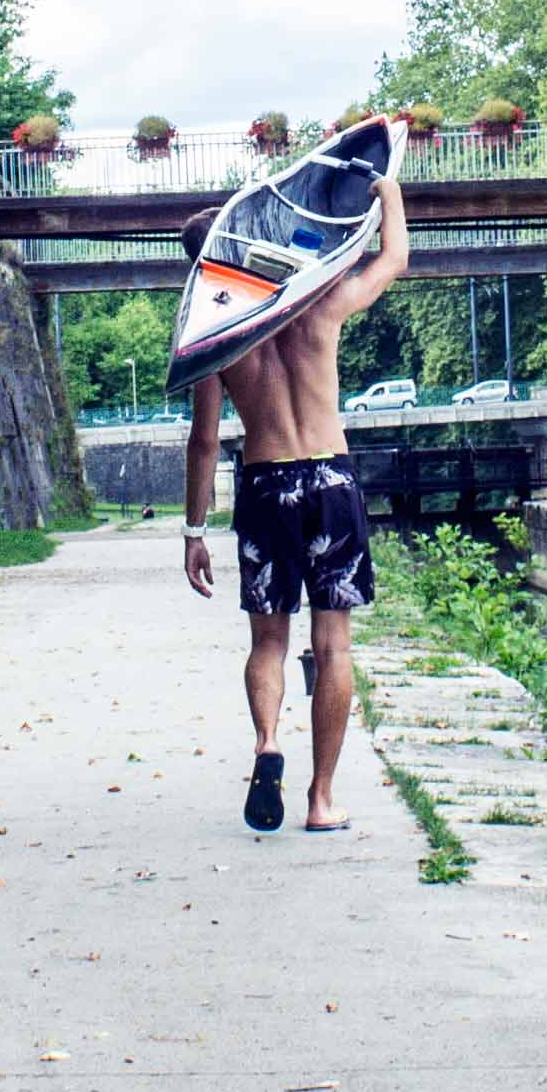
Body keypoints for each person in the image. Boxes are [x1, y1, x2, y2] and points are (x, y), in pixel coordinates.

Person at [180, 159, 406, 833]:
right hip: (330, 481)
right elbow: (393, 258)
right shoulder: (318, 305)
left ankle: (266, 743)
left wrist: (194, 534)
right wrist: (385, 192)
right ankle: (321, 800)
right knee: (333, 646)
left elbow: (201, 441)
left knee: (269, 642)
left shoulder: (217, 338)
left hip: (264, 482)